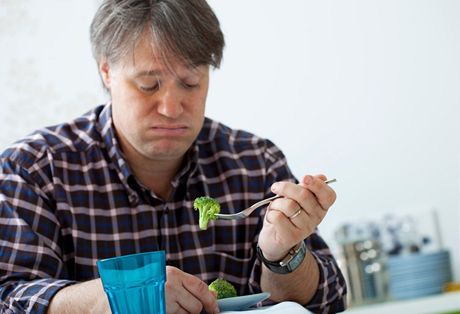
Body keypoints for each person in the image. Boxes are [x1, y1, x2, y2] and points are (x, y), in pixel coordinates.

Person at [0, 0, 347, 313]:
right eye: (148, 85)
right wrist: (118, 297)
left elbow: (329, 300)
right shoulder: (34, 170)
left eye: (191, 82)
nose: (171, 108)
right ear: (106, 71)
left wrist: (282, 256)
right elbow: (9, 296)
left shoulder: (257, 163)